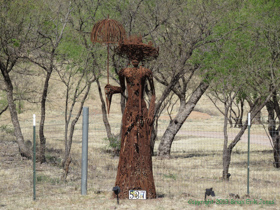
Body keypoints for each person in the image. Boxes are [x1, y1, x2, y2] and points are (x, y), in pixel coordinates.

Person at [105, 35, 158, 199]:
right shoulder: (124, 72)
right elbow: (122, 89)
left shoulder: (146, 72)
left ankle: (143, 190)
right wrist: (111, 89)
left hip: (142, 111)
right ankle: (125, 189)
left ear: (141, 56)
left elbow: (153, 94)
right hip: (129, 112)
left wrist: (150, 114)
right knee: (128, 147)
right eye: (132, 55)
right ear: (129, 56)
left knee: (142, 147)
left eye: (138, 55)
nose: (135, 58)